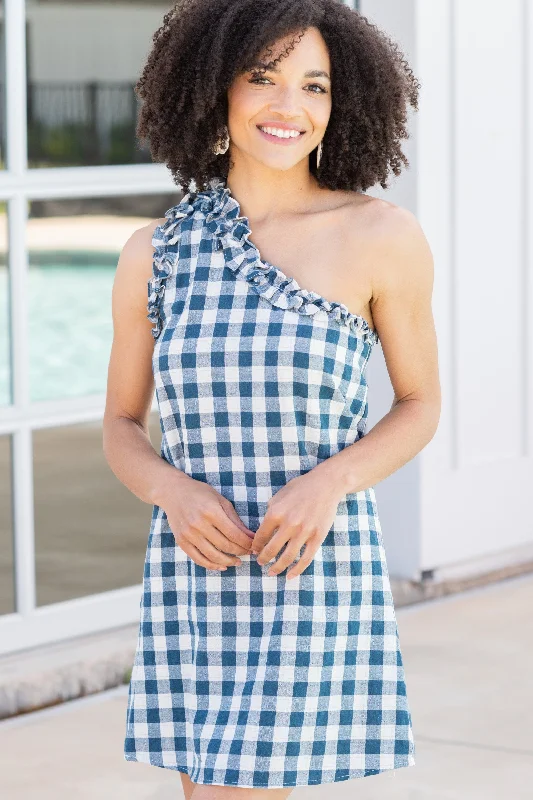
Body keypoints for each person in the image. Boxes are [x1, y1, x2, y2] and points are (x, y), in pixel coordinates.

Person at [103, 1, 440, 797]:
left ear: (341, 100)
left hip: (310, 564)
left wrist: (331, 481)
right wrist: (168, 490)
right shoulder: (154, 253)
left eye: (314, 85)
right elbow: (120, 422)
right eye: (263, 78)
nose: (291, 106)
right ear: (212, 87)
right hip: (198, 568)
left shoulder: (379, 235)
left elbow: (419, 402)